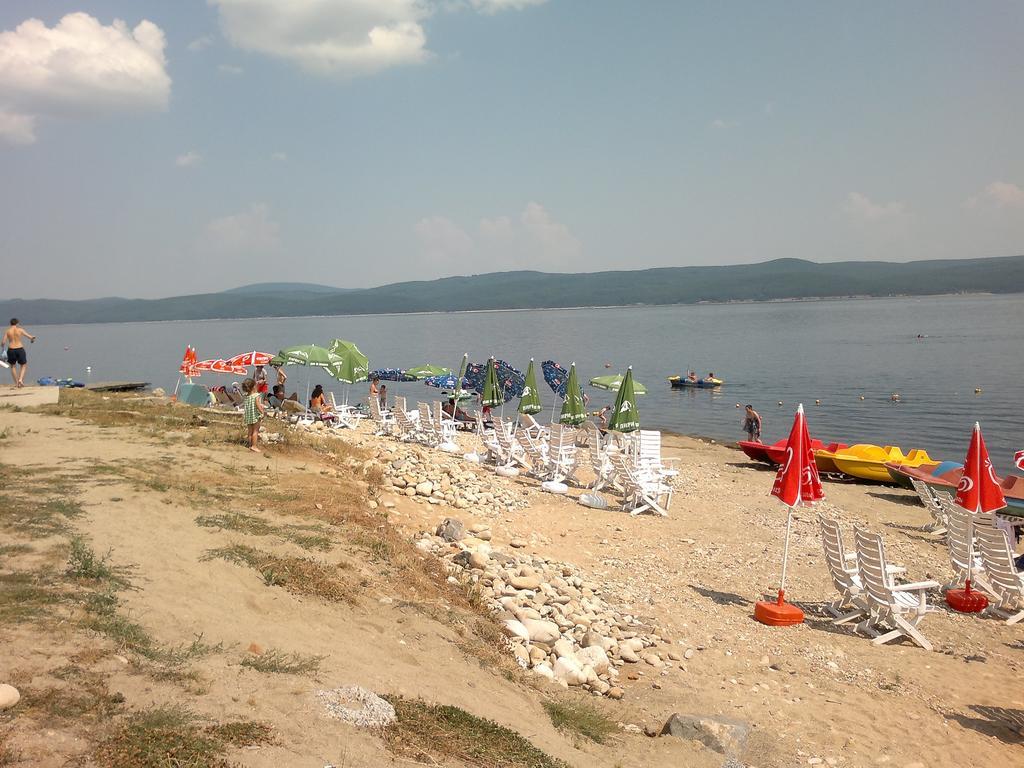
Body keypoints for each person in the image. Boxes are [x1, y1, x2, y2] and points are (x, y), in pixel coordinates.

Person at [3, 319, 36, 388]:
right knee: (23, 365)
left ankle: (17, 383)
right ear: (17, 323)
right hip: (20, 348)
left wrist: (2, 348)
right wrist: (32, 339)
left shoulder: (8, 331)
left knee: (13, 366)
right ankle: (20, 379)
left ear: (10, 323)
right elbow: (30, 337)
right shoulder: (20, 330)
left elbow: (3, 342)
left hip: (11, 349)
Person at [242, 378, 265, 452]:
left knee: (250, 431)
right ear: (254, 387)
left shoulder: (246, 396)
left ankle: (249, 445)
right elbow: (258, 405)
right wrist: (262, 412)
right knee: (255, 431)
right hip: (255, 416)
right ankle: (254, 446)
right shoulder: (256, 395)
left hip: (248, 416)